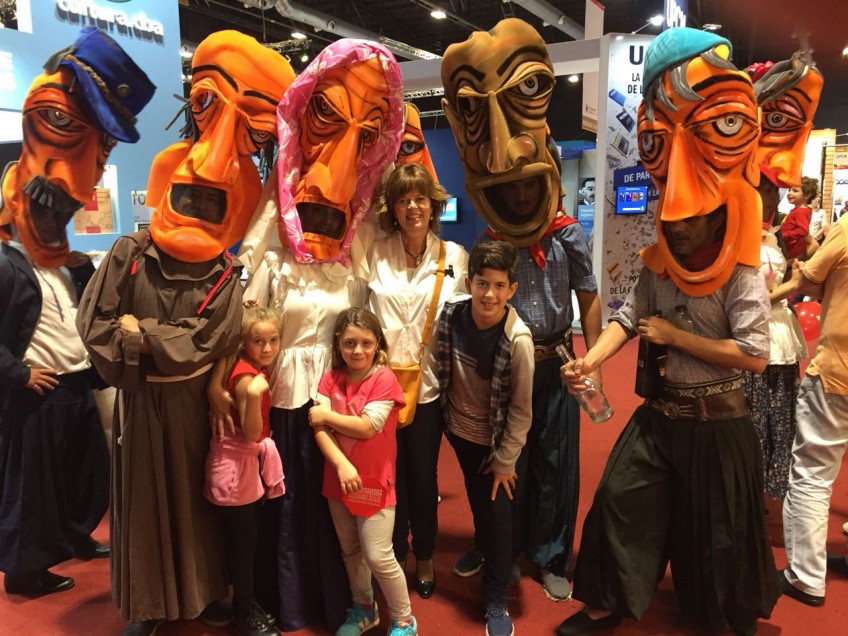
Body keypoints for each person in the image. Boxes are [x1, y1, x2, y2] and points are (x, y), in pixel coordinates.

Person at [557, 28, 778, 636]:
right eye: (671, 221)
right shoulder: (659, 265)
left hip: (718, 425)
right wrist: (591, 360)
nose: (677, 228)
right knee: (618, 501)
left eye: (690, 221)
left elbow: (755, 355)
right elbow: (628, 318)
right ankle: (606, 601)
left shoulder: (741, 274)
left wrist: (679, 338)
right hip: (660, 416)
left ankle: (721, 616)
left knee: (719, 537)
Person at [77, 31, 292, 636]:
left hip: (200, 409)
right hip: (142, 411)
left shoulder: (225, 272)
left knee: (205, 510)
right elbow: (94, 327)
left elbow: (209, 340)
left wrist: (140, 335)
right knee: (145, 508)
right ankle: (148, 605)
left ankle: (202, 597)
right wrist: (157, 342)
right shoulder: (130, 252)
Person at [230, 39, 404, 632]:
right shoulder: (274, 256)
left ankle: (345, 602)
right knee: (289, 505)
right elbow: (249, 322)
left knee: (335, 509)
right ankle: (289, 602)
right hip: (285, 396)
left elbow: (368, 324)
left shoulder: (351, 259)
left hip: (337, 397)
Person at [440, 19, 602, 602]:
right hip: (506, 364)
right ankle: (499, 549)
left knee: (556, 463)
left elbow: (588, 295)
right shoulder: (495, 238)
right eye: (508, 188)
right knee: (507, 459)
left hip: (556, 362)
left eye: (527, 185)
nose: (519, 194)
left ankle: (551, 554)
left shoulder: (567, 234)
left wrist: (593, 360)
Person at [0, 28, 153, 597]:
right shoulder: (6, 259)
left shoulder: (69, 262)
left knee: (82, 475)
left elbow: (91, 310)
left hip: (75, 384)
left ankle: (75, 536)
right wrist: (16, 373)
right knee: (33, 489)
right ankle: (25, 570)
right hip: (35, 391)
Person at [367, 162, 469, 599]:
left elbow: (465, 322)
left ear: (434, 206)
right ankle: (393, 553)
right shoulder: (374, 252)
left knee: (423, 476)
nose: (412, 207)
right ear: (392, 208)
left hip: (428, 388)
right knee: (388, 477)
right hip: (380, 390)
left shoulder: (455, 257)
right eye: (404, 200)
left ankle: (424, 553)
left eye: (420, 199)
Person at [437, 240, 534, 636]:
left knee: (498, 514)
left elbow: (522, 409)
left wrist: (505, 460)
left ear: (512, 289)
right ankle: (483, 548)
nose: (489, 294)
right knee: (478, 499)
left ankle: (496, 595)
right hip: (461, 432)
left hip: (497, 443)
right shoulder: (451, 316)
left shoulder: (518, 340)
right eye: (482, 283)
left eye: (498, 286)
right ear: (469, 283)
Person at [309, 308, 418, 636]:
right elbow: (319, 430)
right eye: (349, 343)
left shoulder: (383, 378)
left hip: (374, 482)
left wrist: (325, 416)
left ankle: (404, 620)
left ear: (377, 344)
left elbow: (368, 426)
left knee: (378, 555)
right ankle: (364, 609)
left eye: (366, 343)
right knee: (351, 550)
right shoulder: (330, 378)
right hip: (338, 481)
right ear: (338, 344)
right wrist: (341, 464)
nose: (358, 350)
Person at [204, 302, 286, 636]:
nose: (267, 348)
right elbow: (253, 433)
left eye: (273, 340)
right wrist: (253, 395)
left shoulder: (247, 365)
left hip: (240, 469)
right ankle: (243, 616)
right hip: (234, 474)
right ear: (245, 342)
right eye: (258, 341)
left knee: (245, 542)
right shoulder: (247, 378)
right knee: (244, 546)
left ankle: (246, 605)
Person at [780, 206, 848, 607]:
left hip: (840, 370)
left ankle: (805, 577)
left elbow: (808, 280)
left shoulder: (846, 228)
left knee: (812, 473)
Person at [743, 176, 808, 502]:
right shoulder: (738, 235)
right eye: (764, 189)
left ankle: (772, 486)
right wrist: (795, 284)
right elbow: (752, 301)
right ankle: (747, 488)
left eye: (775, 191)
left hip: (782, 334)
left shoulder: (772, 232)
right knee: (754, 417)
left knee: (782, 417)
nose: (772, 197)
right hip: (754, 333)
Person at [781, 177, 820, 262]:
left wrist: (786, 234)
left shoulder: (800, 212)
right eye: (789, 190)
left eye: (795, 191)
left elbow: (803, 230)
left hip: (791, 249)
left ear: (807, 195)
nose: (789, 193)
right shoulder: (800, 210)